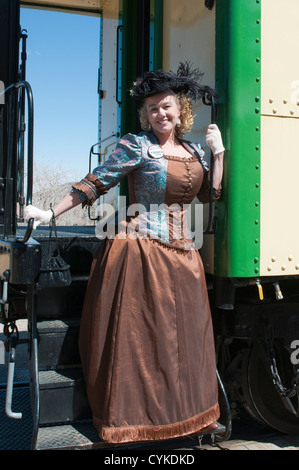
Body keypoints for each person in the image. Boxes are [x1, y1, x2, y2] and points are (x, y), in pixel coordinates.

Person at [25, 63, 225, 444]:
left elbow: (208, 195)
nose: (160, 114)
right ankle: (135, 422)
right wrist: (49, 212)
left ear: (179, 109)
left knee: (188, 340)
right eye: (152, 109)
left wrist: (217, 155)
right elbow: (94, 182)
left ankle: (194, 415)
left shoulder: (195, 150)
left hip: (185, 257)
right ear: (145, 114)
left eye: (166, 106)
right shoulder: (136, 145)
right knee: (145, 343)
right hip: (141, 253)